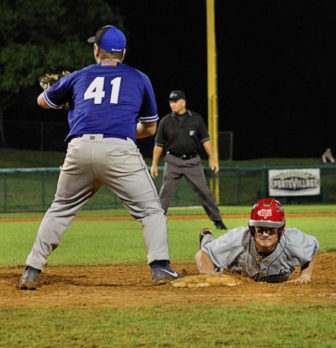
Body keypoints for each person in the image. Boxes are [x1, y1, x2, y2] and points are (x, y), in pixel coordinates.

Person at [19, 25, 182, 290]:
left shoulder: (79, 77)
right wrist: (123, 129)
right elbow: (150, 128)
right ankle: (160, 267)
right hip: (119, 150)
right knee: (151, 211)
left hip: (79, 148)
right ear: (124, 53)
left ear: (96, 50)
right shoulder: (139, 78)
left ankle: (31, 270)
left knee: (59, 210)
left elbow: (41, 101)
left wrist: (62, 94)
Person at [150, 90, 227, 230]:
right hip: (172, 161)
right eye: (171, 101)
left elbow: (206, 141)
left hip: (192, 162)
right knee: (165, 194)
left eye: (176, 101)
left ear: (183, 103)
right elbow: (158, 145)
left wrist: (213, 159)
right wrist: (154, 164)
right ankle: (157, 223)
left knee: (204, 192)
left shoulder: (196, 119)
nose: (172, 104)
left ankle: (218, 221)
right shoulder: (166, 121)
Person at [195, 198, 319, 283]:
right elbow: (203, 254)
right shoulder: (237, 239)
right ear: (252, 229)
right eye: (260, 229)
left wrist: (305, 275)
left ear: (281, 229)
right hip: (230, 266)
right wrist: (211, 277)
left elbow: (313, 248)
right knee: (210, 250)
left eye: (270, 229)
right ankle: (207, 238)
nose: (265, 234)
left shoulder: (294, 240)